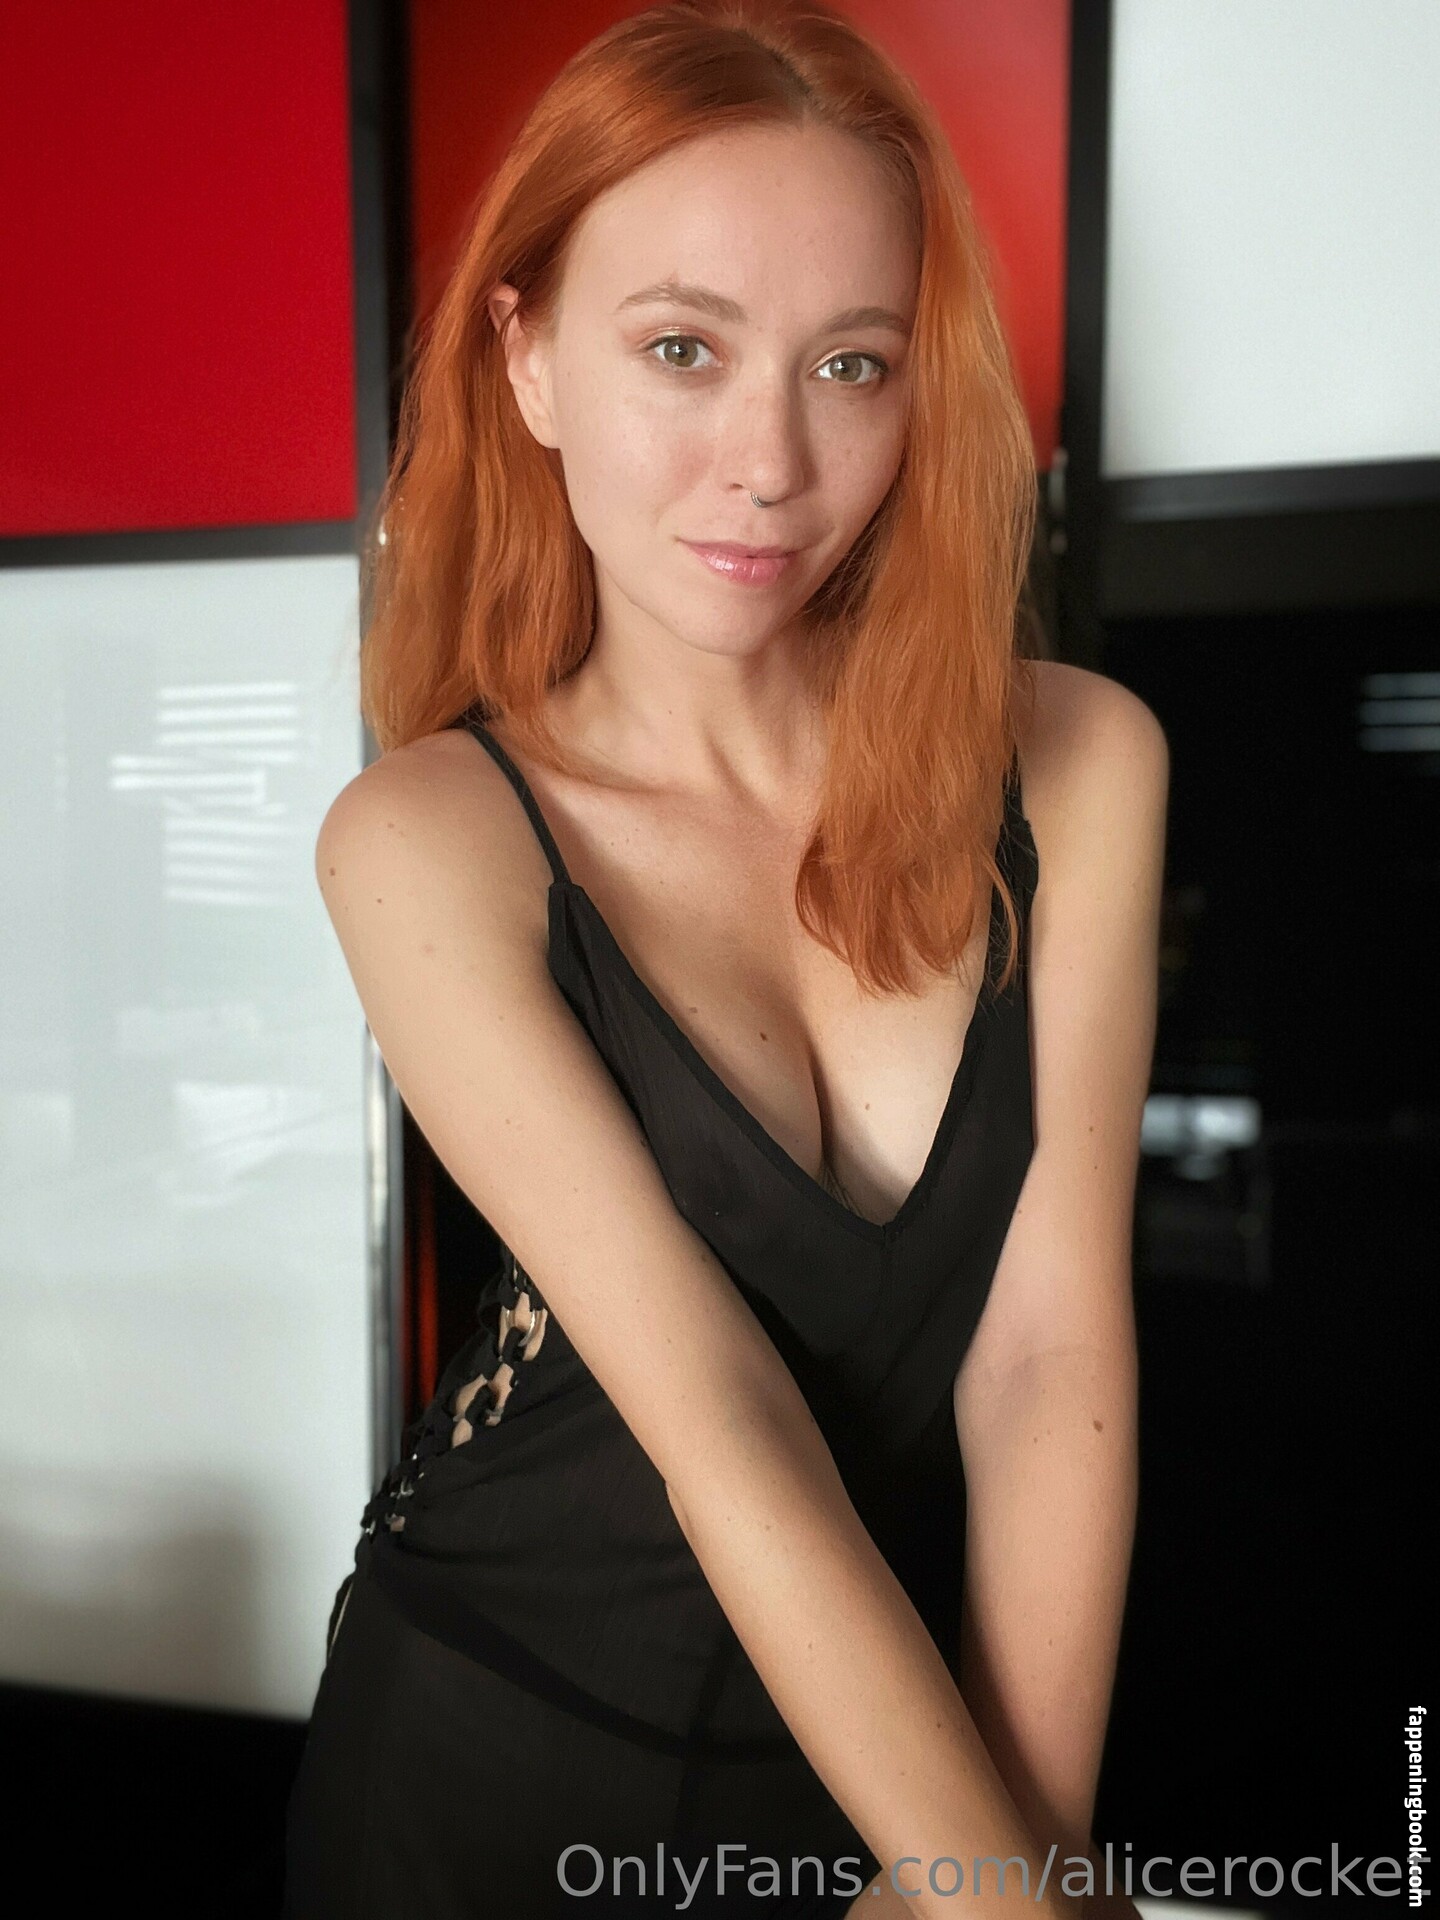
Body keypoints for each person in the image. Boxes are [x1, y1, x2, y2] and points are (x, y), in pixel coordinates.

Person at [282, 2, 1166, 1915]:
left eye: (851, 364)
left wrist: (1011, 1844)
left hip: (893, 1766)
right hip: (486, 1759)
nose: (769, 462)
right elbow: (723, 1417)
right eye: (681, 349)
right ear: (528, 361)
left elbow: (1050, 1354)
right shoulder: (430, 839)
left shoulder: (1084, 765)